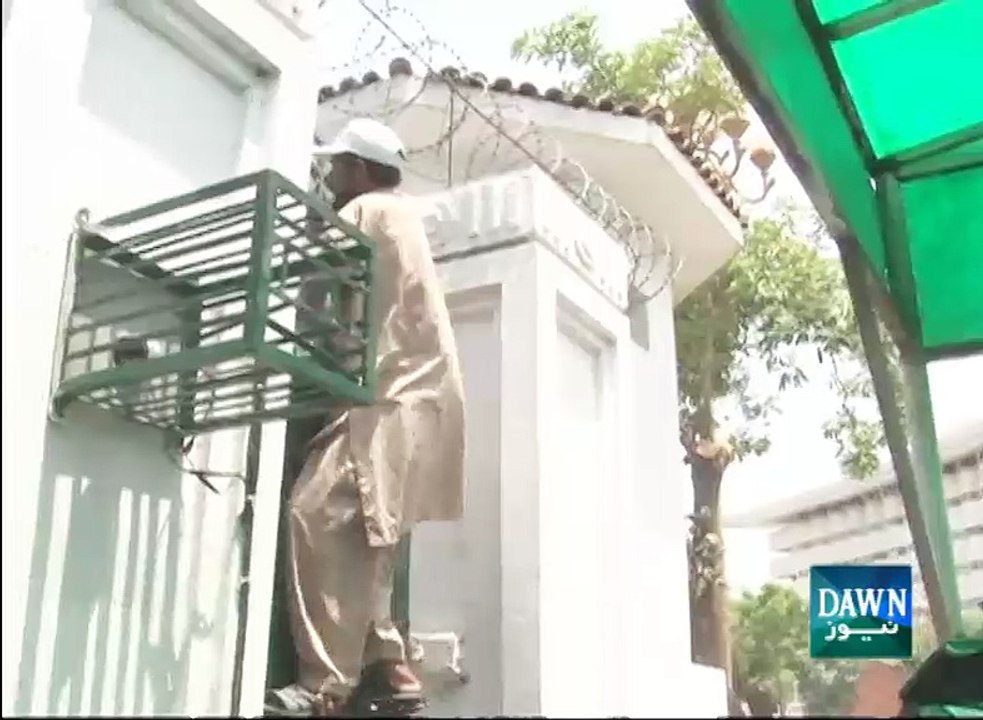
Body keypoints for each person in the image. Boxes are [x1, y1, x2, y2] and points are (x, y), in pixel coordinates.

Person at [266, 118, 466, 717]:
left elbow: (313, 286)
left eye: (335, 166)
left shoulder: (365, 212)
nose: (329, 176)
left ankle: (322, 686)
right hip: (426, 400)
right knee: (372, 533)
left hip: (389, 396)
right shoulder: (404, 217)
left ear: (358, 167)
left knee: (315, 512)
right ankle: (389, 666)